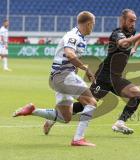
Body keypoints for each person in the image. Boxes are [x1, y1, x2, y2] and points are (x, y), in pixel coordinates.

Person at [43, 9, 140, 135]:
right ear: (122, 20)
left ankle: (120, 123)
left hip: (116, 78)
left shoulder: (132, 32)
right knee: (87, 104)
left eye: (135, 21)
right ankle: (54, 116)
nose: (133, 23)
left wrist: (135, 47)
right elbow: (123, 43)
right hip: (104, 76)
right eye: (130, 20)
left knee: (136, 95)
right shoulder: (117, 33)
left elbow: (133, 40)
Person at [13, 11, 97, 147]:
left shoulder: (80, 38)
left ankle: (32, 110)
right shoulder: (73, 36)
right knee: (91, 102)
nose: (93, 27)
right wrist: (85, 68)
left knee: (65, 118)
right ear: (88, 24)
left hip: (60, 78)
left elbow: (70, 58)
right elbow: (69, 54)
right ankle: (78, 139)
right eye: (93, 24)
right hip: (63, 77)